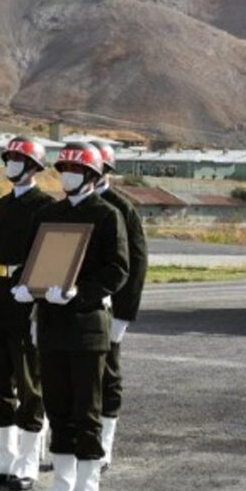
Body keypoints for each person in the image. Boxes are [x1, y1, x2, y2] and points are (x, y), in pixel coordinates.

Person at [12, 140, 128, 491]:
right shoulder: (50, 214)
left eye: (76, 170)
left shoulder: (108, 215)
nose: (68, 176)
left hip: (87, 328)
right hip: (51, 326)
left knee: (86, 412)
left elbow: (118, 269)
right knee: (58, 410)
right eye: (64, 169)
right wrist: (23, 285)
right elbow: (31, 260)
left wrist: (81, 294)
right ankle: (61, 487)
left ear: (94, 176)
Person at [0, 136, 54, 491]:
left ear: (34, 166)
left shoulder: (46, 207)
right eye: (9, 158)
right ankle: (5, 454)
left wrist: (36, 299)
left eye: (18, 159)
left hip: (26, 301)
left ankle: (28, 457)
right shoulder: (1, 206)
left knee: (29, 383)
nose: (11, 164)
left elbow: (49, 259)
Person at [90, 141, 148, 471]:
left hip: (109, 307)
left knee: (107, 374)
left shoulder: (120, 208)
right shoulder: (69, 206)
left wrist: (124, 314)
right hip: (71, 307)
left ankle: (104, 443)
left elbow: (136, 263)